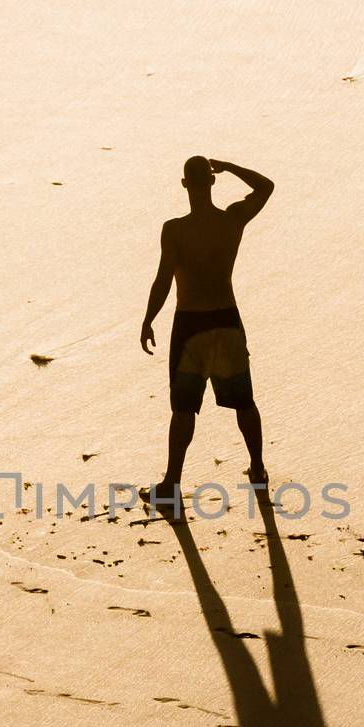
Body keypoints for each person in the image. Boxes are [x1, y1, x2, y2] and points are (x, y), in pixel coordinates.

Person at [140, 155, 274, 508]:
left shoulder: (175, 229)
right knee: (244, 402)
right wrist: (230, 166)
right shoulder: (231, 220)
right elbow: (266, 187)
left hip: (190, 325)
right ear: (212, 182)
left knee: (183, 409)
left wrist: (148, 318)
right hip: (226, 321)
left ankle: (171, 486)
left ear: (184, 184)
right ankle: (258, 471)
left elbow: (163, 279)